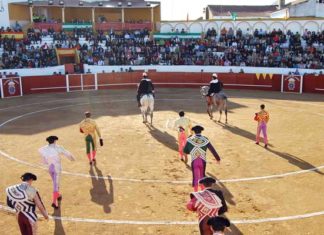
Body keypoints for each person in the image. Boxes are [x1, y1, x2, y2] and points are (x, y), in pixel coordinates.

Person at [39, 136, 75, 209]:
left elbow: (43, 159)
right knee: (55, 185)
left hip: (49, 168)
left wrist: (46, 163)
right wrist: (72, 158)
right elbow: (67, 153)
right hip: (56, 168)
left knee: (55, 183)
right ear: (55, 141)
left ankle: (58, 195)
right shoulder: (58, 147)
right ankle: (54, 202)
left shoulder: (44, 148)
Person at [183, 125, 221, 191]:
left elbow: (185, 151)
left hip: (194, 161)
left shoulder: (190, 139)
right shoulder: (205, 139)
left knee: (195, 177)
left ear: (194, 131)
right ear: (201, 131)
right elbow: (212, 150)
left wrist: (192, 151)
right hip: (202, 161)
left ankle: (196, 193)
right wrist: (218, 159)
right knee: (202, 177)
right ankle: (203, 192)